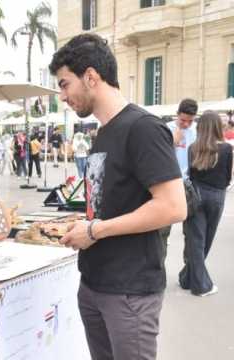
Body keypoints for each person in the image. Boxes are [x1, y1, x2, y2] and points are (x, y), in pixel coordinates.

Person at [51, 33, 186, 360]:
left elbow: (173, 206)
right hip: (94, 284)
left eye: (65, 84)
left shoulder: (143, 127)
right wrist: (82, 223)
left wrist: (94, 230)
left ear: (91, 77)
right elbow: (110, 204)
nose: (62, 96)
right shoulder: (102, 133)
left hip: (129, 291)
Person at [179, 111, 232, 296]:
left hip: (196, 194)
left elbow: (191, 176)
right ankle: (200, 285)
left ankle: (187, 278)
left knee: (197, 241)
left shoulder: (193, 148)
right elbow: (227, 178)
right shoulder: (226, 149)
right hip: (216, 196)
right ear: (218, 127)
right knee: (206, 241)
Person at [159, 99, 198, 256]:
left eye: (190, 121)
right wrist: (172, 142)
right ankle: (159, 267)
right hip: (168, 184)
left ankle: (189, 274)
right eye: (183, 120)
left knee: (192, 233)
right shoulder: (166, 129)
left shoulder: (196, 132)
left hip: (189, 184)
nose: (186, 124)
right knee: (162, 230)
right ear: (177, 115)